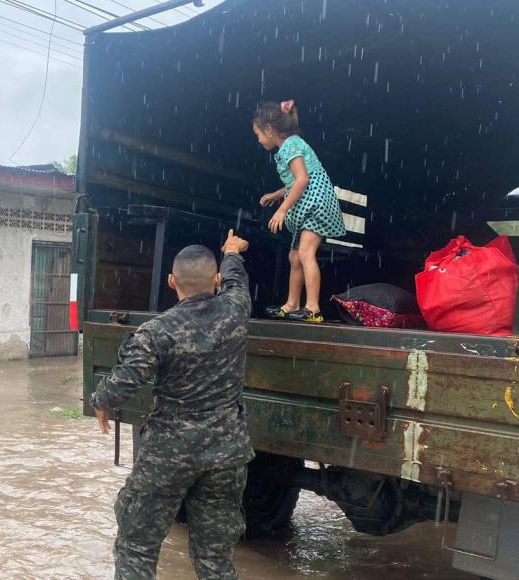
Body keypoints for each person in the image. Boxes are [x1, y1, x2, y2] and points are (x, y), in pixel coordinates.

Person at [91, 230, 254, 580]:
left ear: (170, 281)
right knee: (216, 559)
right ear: (216, 280)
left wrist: (101, 400)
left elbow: (129, 377)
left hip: (169, 453)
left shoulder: (156, 331)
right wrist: (231, 251)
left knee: (136, 547)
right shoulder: (236, 309)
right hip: (226, 455)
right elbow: (237, 278)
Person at [255, 99, 346, 323]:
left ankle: (313, 308)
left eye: (257, 134)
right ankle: (291, 304)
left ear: (268, 129)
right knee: (294, 256)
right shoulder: (289, 146)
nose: (257, 139)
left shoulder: (291, 145)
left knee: (305, 253)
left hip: (316, 204)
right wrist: (277, 195)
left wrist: (282, 210)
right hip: (307, 205)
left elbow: (303, 179)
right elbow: (295, 180)